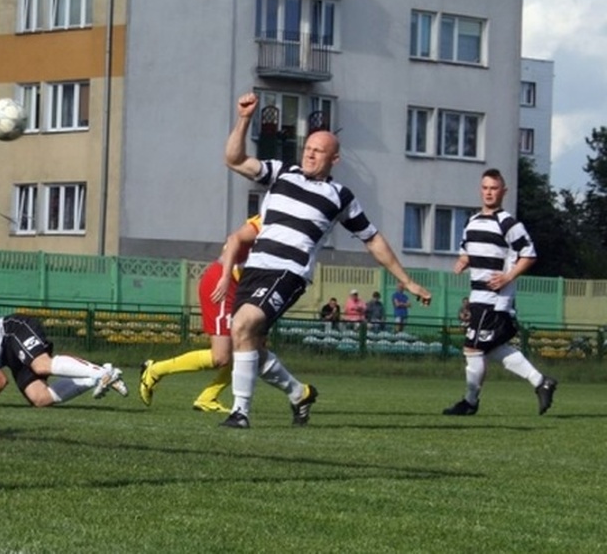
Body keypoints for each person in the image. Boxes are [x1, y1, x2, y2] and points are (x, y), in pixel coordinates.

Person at [222, 92, 432, 428]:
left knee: (244, 324)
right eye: (308, 148)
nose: (309, 153)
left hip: (288, 272)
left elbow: (373, 239)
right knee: (246, 341)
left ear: (334, 158)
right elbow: (234, 159)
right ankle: (299, 393)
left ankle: (240, 413)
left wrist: (406, 281)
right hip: (255, 268)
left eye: (318, 151)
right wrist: (244, 118)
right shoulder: (281, 172)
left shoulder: (340, 197)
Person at [443, 168, 556, 416]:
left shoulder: (508, 223)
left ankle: (470, 402)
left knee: (472, 349)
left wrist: (508, 276)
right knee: (492, 348)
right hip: (477, 297)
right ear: (480, 190)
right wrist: (463, 261)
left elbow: (529, 255)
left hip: (493, 300)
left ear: (503, 191)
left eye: (494, 188)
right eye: (485, 188)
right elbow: (467, 252)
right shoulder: (472, 221)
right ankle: (541, 382)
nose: (489, 193)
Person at [139, 216, 261, 412]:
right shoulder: (269, 220)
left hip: (238, 289)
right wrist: (225, 277)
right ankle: (154, 371)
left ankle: (208, 398)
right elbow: (233, 240)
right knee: (221, 357)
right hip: (224, 285)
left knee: (248, 350)